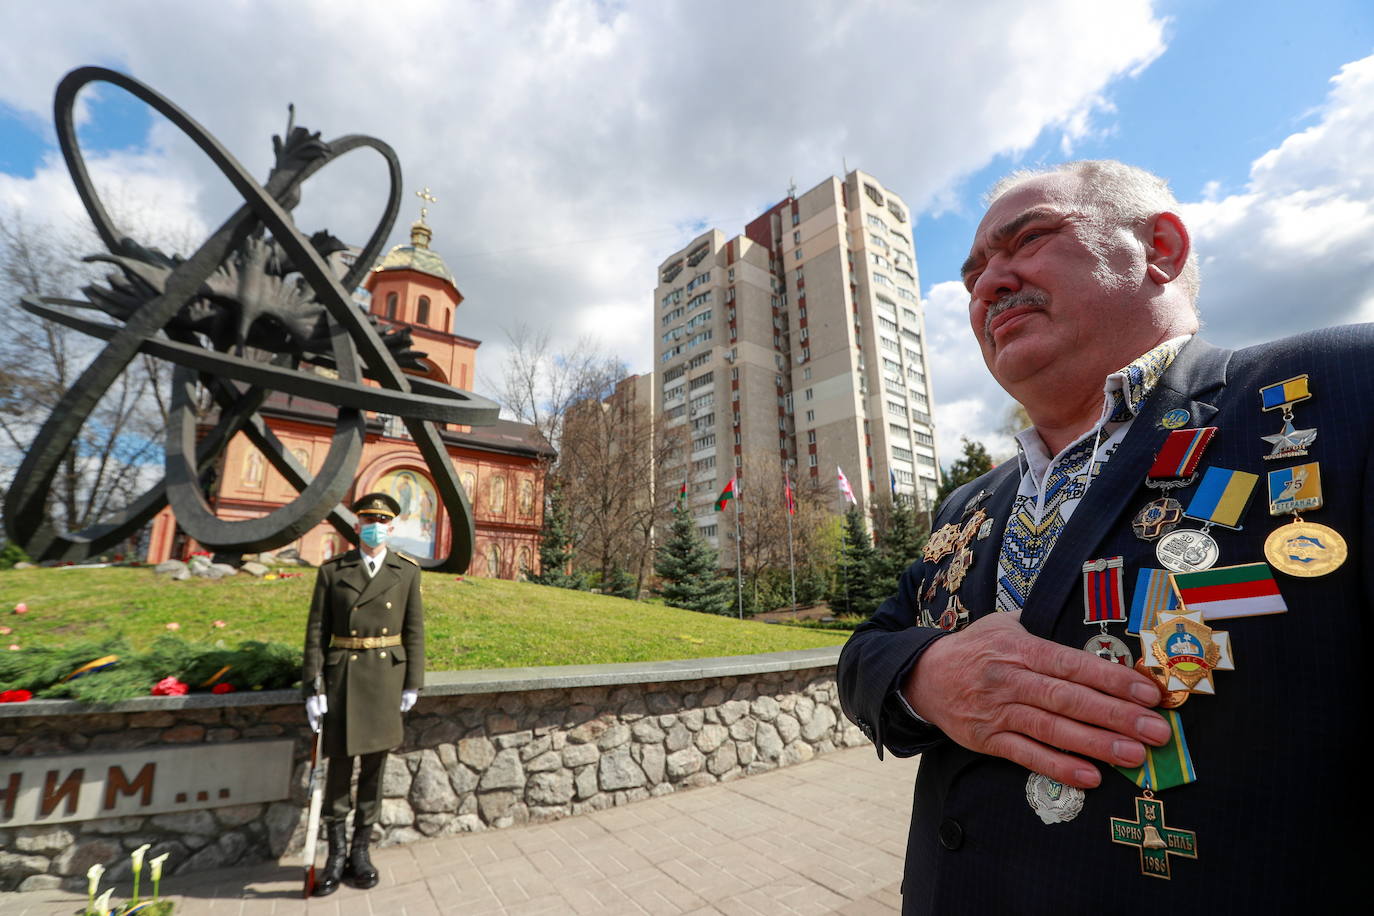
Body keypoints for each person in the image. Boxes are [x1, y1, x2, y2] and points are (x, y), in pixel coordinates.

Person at [837, 160, 1369, 913]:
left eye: (1029, 239)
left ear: (1161, 249)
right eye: (974, 273)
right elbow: (867, 649)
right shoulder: (965, 504)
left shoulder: (1343, 391)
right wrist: (926, 678)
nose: (989, 283)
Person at [302, 492, 425, 896]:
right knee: (339, 770)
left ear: (392, 527)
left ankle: (360, 854)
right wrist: (313, 687)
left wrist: (413, 683)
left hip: (386, 680)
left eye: (383, 521)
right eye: (368, 520)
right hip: (342, 680)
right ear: (357, 526)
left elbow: (414, 630)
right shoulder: (333, 571)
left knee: (374, 771)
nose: (375, 527)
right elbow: (316, 634)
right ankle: (335, 857)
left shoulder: (406, 571)